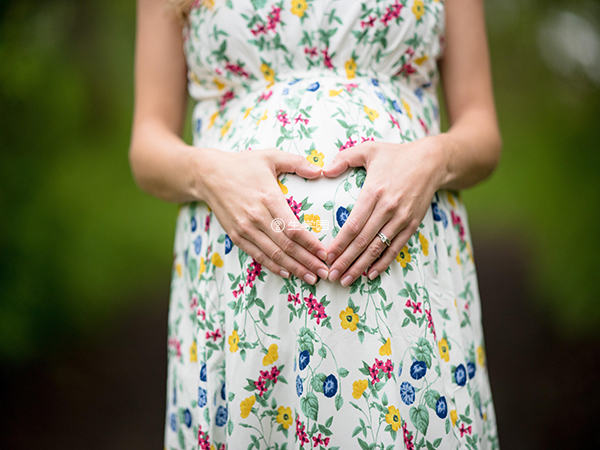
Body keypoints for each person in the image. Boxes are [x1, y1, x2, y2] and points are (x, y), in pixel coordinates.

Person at [129, 0, 502, 448]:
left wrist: (433, 160)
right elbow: (147, 145)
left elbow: (482, 130)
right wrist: (207, 173)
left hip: (408, 276)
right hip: (234, 291)